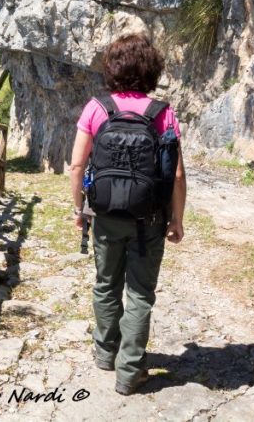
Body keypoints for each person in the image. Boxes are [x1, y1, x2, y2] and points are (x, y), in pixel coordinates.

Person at [69, 32, 187, 395]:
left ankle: (105, 354)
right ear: (152, 70)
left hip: (105, 215)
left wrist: (79, 208)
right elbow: (176, 174)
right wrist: (177, 219)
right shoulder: (162, 113)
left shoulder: (96, 108)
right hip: (148, 219)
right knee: (139, 293)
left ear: (112, 68)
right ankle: (130, 371)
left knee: (106, 284)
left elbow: (77, 166)